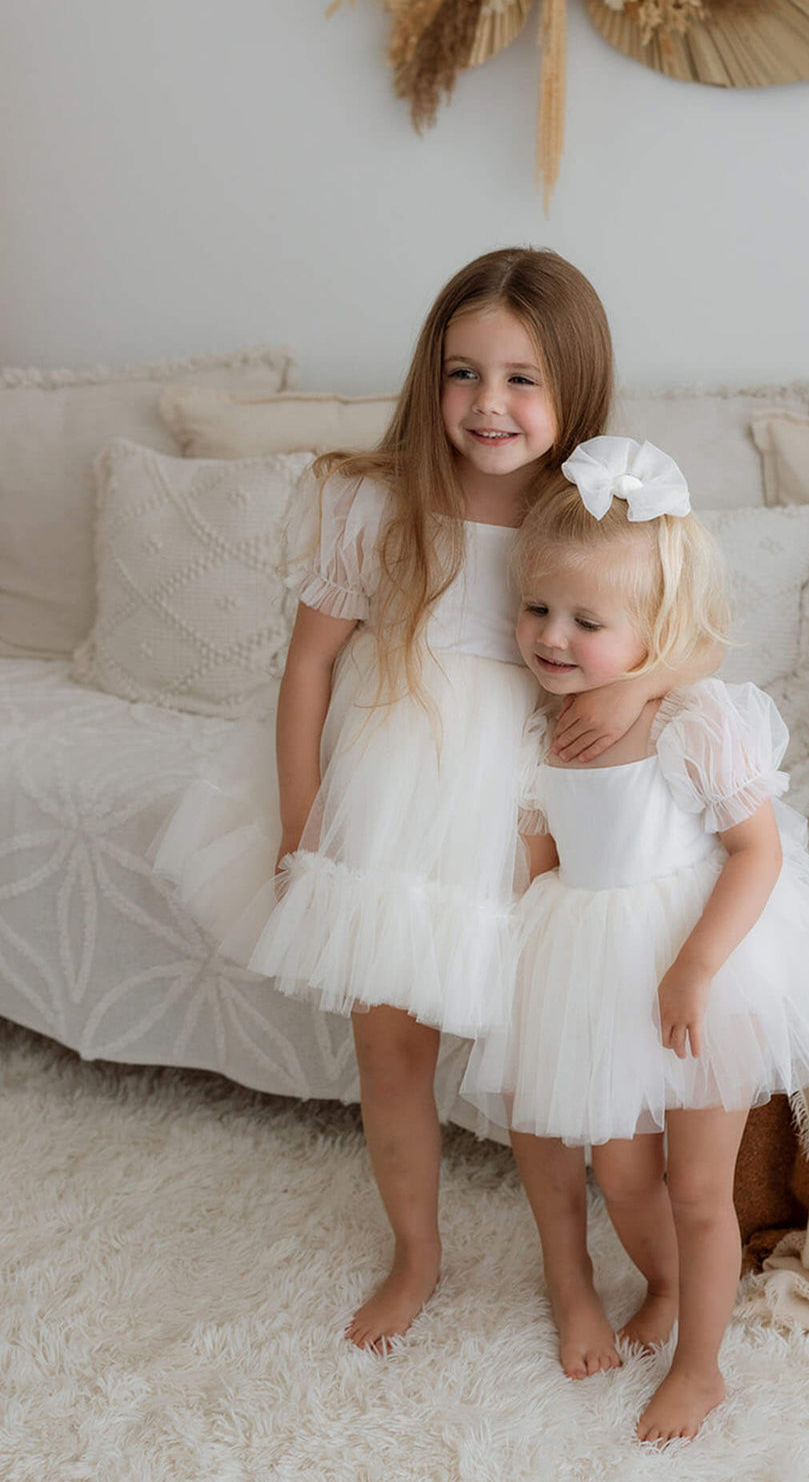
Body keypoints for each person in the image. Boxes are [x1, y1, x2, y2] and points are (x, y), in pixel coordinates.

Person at [156, 250, 665, 1352]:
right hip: (388, 803)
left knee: (540, 1067)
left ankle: (570, 1275)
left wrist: (651, 687)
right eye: (464, 372)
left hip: (532, 819)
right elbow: (306, 670)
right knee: (390, 1056)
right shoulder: (371, 501)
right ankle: (417, 1253)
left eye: (523, 378)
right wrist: (302, 830)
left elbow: (686, 638)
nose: (490, 405)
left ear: (577, 385)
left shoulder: (592, 516)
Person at [462, 436, 809, 1442]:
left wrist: (696, 966)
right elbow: (539, 853)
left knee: (700, 1183)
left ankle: (702, 1365)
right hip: (591, 958)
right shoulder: (540, 728)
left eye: (586, 620)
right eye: (536, 609)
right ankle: (663, 1284)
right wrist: (519, 970)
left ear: (655, 631)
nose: (552, 637)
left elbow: (756, 853)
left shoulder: (694, 720)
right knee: (621, 1170)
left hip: (711, 959)